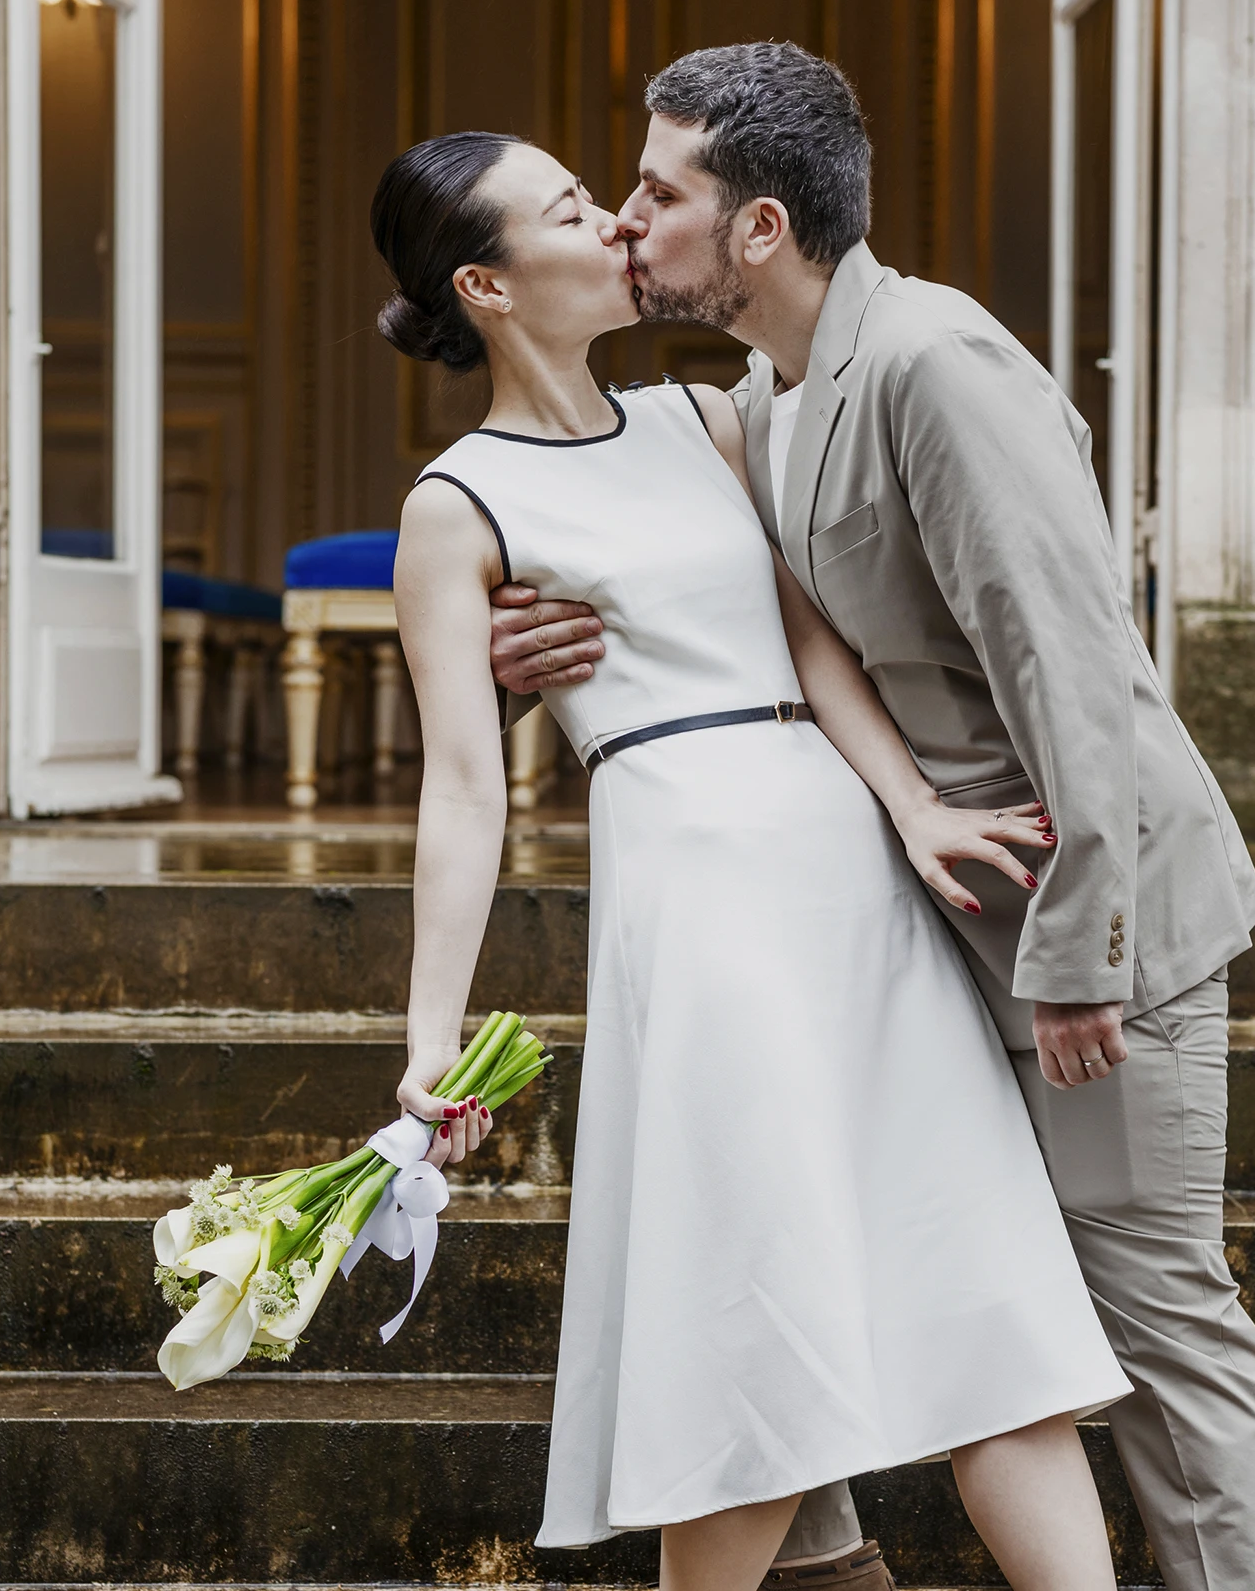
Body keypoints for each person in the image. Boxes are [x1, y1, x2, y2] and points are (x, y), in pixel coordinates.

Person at [488, 43, 1255, 1591]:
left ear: (763, 228)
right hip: (923, 936)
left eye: (662, 192)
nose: (631, 222)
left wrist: (1085, 952)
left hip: (1094, 937)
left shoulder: (933, 361)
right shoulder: (764, 402)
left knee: (1160, 1340)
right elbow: (754, 626)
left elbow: (1075, 666)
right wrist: (538, 649)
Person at [374, 127, 1132, 1591]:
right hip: (696, 891)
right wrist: (429, 1041)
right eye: (573, 212)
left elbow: (809, 638)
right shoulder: (454, 505)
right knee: (749, 1337)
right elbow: (466, 791)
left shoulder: (708, 418)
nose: (615, 226)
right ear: (486, 282)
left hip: (847, 871)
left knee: (994, 1306)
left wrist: (913, 813)